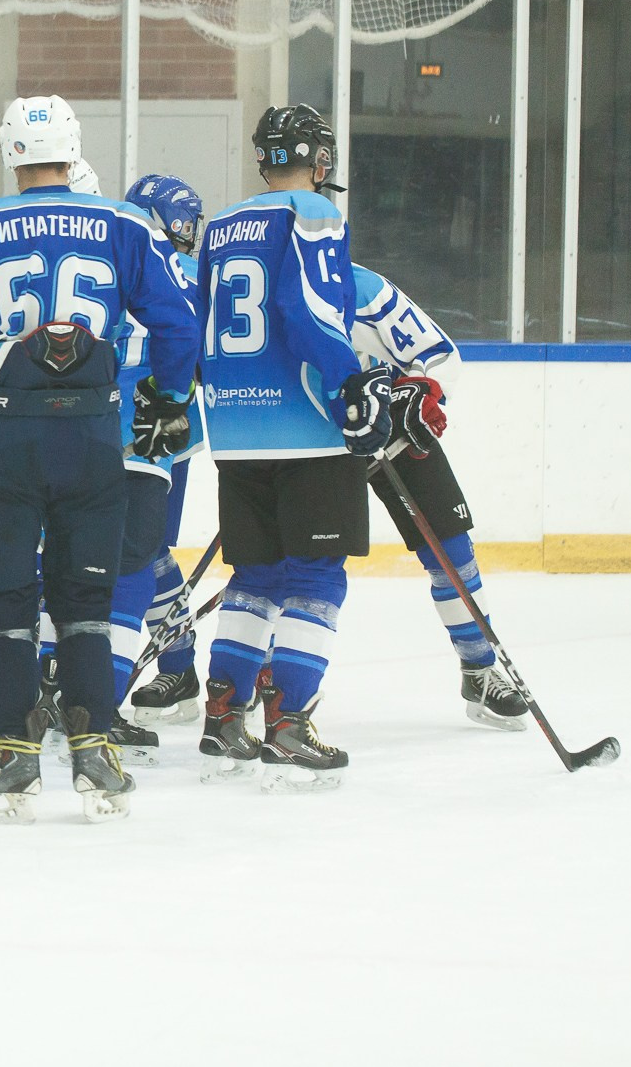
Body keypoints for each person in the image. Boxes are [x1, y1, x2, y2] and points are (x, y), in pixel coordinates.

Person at [0, 95, 200, 824]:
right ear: (74, 149)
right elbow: (174, 320)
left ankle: (15, 752)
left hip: (10, 432)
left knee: (6, 600)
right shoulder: (125, 223)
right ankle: (95, 751)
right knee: (86, 601)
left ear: (9, 150)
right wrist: (168, 397)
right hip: (97, 435)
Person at [139, 262, 529, 733]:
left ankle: (479, 669)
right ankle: (269, 675)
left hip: (388, 435)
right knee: (275, 566)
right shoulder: (234, 289)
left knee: (449, 550)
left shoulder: (356, 284)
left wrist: (417, 391)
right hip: (306, 446)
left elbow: (437, 353)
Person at [193, 104, 390, 792]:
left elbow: (197, 324)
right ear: (319, 158)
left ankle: (223, 713)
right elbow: (303, 308)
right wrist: (352, 383)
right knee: (314, 577)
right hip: (305, 426)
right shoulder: (312, 211)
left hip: (235, 431)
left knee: (257, 576)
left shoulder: (219, 226)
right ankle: (288, 721)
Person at [94, 174, 207, 759]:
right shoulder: (165, 268)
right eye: (183, 223)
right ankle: (178, 662)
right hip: (143, 427)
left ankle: (173, 665)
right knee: (144, 551)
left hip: (153, 432)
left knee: (140, 552)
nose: (189, 236)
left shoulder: (117, 261)